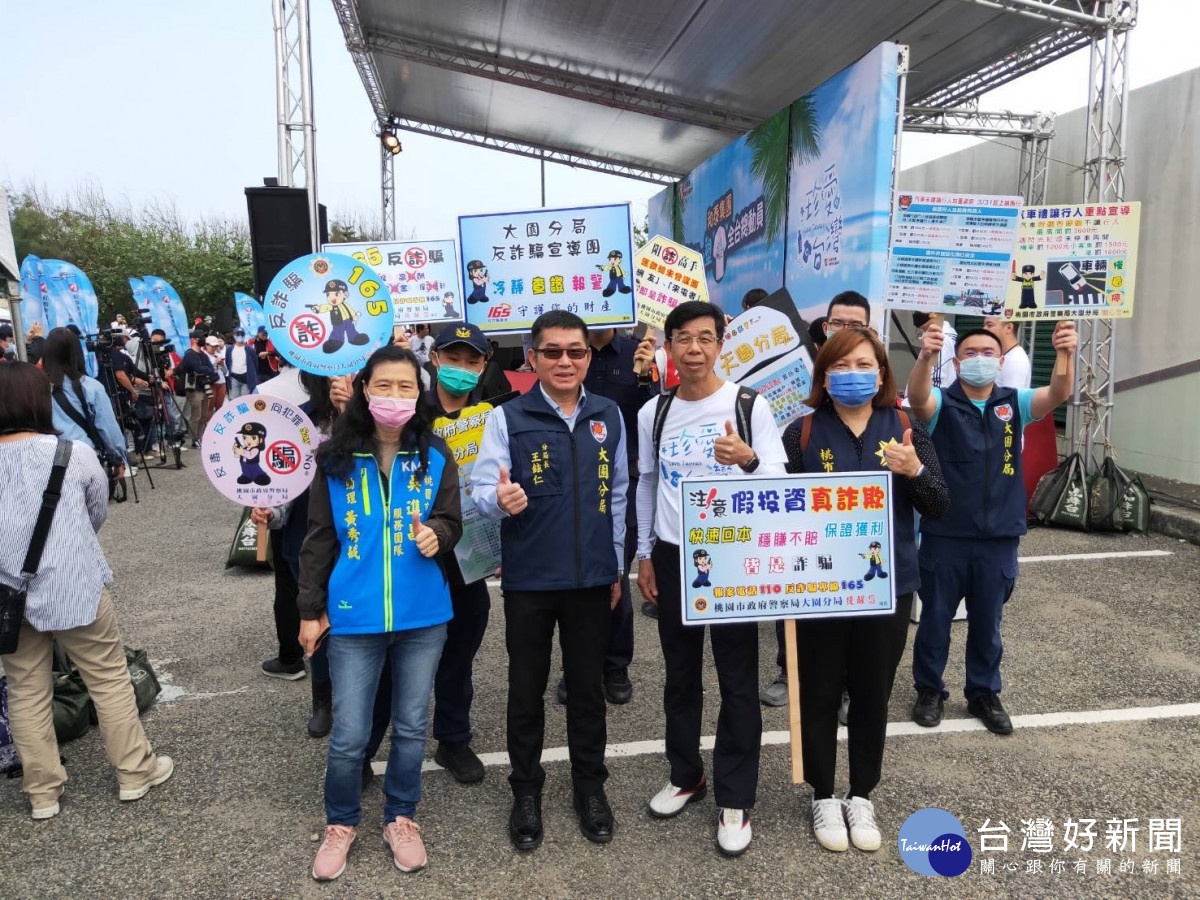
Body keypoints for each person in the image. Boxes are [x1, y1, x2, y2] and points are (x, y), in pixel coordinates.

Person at [780, 328, 950, 853]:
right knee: (820, 689)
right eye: (841, 365)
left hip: (888, 587)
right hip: (820, 588)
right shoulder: (802, 432)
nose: (853, 374)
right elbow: (772, 507)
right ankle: (824, 795)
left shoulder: (903, 426)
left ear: (881, 374)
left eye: (864, 364)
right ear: (824, 376)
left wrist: (915, 470)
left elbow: (939, 504)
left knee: (873, 692)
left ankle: (861, 793)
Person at [297, 345, 462, 880]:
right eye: (384, 386)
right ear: (365, 391)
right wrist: (309, 609)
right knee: (349, 732)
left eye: (406, 386)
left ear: (421, 392)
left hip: (423, 617)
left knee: (412, 727)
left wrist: (438, 534)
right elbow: (319, 538)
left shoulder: (435, 454)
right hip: (354, 616)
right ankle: (341, 822)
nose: (395, 396)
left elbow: (450, 519)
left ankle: (400, 817)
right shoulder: (335, 458)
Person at [472, 310, 628, 852]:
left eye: (576, 352)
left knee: (587, 691)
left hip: (590, 581)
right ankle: (526, 791)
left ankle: (590, 789)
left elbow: (619, 496)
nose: (566, 361)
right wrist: (500, 498)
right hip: (531, 581)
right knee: (526, 691)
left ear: (589, 357)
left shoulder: (608, 414)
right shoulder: (507, 417)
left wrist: (615, 566)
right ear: (532, 358)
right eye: (553, 352)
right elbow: (479, 489)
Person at [636, 300, 786, 857]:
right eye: (683, 338)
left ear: (721, 343)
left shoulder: (749, 404)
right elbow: (648, 484)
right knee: (679, 674)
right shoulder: (654, 411)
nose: (694, 349)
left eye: (705, 338)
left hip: (732, 558)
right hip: (675, 556)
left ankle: (736, 796)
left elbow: (779, 478)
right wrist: (644, 553)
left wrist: (747, 459)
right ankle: (686, 774)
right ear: (668, 346)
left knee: (737, 679)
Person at [0, 362, 174, 820]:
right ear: (38, 400)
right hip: (72, 581)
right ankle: (135, 772)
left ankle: (42, 792)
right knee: (107, 677)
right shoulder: (71, 454)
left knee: (24, 689)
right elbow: (96, 511)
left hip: (6, 597)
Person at [906, 320, 1077, 735]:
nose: (979, 360)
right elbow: (916, 397)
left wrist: (1065, 354)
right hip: (944, 534)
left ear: (1000, 362)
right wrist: (926, 355)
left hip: (999, 536)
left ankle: (983, 693)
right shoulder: (941, 404)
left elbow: (1058, 393)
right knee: (935, 621)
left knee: (988, 622)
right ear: (956, 362)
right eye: (970, 354)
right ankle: (929, 690)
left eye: (988, 354)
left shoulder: (1013, 403)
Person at [550, 324, 656, 702]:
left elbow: (651, 418)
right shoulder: (566, 352)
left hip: (619, 478)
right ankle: (577, 666)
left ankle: (615, 664)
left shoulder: (636, 353)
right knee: (574, 579)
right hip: (568, 478)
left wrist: (646, 377)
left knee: (614, 576)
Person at [419, 323, 505, 783]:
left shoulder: (492, 419)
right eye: (453, 359)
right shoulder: (406, 413)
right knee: (396, 655)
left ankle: (454, 739)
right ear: (434, 360)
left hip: (468, 558)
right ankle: (369, 741)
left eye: (472, 361)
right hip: (411, 555)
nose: (462, 369)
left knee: (459, 653)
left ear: (484, 365)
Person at [41, 328, 128, 479]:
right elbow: (107, 428)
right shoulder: (91, 387)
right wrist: (118, 458)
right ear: (77, 353)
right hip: (83, 459)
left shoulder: (36, 387)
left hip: (45, 461)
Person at [175, 330, 216, 448]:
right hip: (194, 388)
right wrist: (202, 370)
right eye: (202, 338)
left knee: (204, 415)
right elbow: (197, 368)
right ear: (195, 339)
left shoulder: (203, 355)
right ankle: (194, 439)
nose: (204, 340)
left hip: (204, 387)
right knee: (196, 415)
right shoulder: (189, 354)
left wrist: (202, 370)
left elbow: (210, 369)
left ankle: (200, 437)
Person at [983, 317, 1032, 389]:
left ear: (1009, 328)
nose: (984, 329)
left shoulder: (1015, 361)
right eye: (984, 325)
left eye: (990, 325)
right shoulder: (1007, 356)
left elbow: (1010, 398)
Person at [913, 312, 958, 388]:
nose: (917, 312)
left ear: (934, 313)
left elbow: (938, 380)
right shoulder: (934, 337)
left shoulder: (940, 339)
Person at [225, 328, 259, 399]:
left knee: (245, 400)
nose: (239, 336)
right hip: (234, 378)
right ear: (234, 335)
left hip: (246, 378)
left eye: (241, 334)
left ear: (244, 335)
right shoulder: (229, 349)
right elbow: (228, 362)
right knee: (233, 400)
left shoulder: (250, 349)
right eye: (237, 334)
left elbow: (255, 364)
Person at [204, 335, 228, 414]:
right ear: (206, 345)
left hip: (221, 382)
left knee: (220, 407)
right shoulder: (203, 355)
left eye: (216, 346)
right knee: (210, 407)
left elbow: (224, 371)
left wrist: (221, 364)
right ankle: (209, 424)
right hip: (211, 383)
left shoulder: (218, 355)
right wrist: (215, 363)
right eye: (213, 346)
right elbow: (205, 370)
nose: (214, 348)